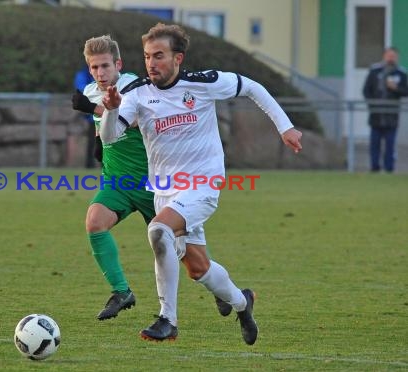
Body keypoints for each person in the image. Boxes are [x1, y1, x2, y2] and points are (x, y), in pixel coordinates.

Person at [100, 23, 303, 344]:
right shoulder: (136, 93)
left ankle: (168, 319)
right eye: (147, 56)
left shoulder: (203, 84)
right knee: (198, 268)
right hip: (165, 191)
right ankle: (241, 302)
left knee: (157, 230)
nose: (151, 63)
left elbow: (252, 87)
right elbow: (109, 137)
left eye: (159, 56)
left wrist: (286, 127)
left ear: (178, 58)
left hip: (202, 185)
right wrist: (111, 111)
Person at [71, 35, 155, 320]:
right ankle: (122, 291)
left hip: (152, 184)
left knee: (184, 254)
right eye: (94, 68)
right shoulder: (91, 89)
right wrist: (98, 140)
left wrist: (92, 109)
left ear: (118, 64)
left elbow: (130, 120)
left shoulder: (133, 85)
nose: (100, 74)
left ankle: (224, 291)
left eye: (105, 66)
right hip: (117, 182)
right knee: (94, 222)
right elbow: (103, 125)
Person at [362, 47, 408, 173]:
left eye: (393, 56)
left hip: (391, 116)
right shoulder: (375, 71)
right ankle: (374, 168)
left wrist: (396, 88)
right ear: (384, 56)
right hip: (376, 115)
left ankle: (389, 169)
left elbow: (405, 91)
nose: (391, 58)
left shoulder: (401, 73)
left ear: (397, 58)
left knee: (390, 145)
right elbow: (366, 90)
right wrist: (371, 105)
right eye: (389, 55)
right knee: (374, 144)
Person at [74, 63, 97, 168]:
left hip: (104, 114)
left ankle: (106, 165)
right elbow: (82, 89)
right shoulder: (83, 74)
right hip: (92, 116)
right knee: (92, 141)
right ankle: (89, 165)